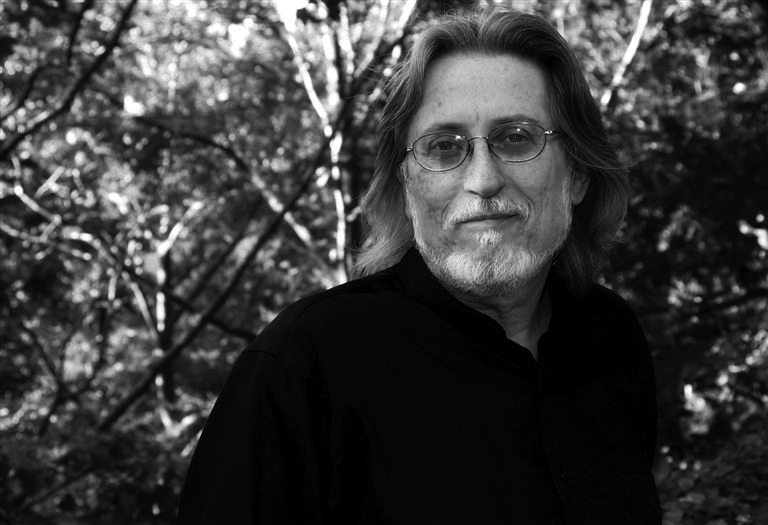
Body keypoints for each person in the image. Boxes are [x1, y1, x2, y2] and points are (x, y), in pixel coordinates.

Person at [177, 7, 661, 525]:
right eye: (444, 147)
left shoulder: (611, 339)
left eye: (517, 137)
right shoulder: (306, 364)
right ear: (406, 184)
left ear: (579, 173)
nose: (483, 180)